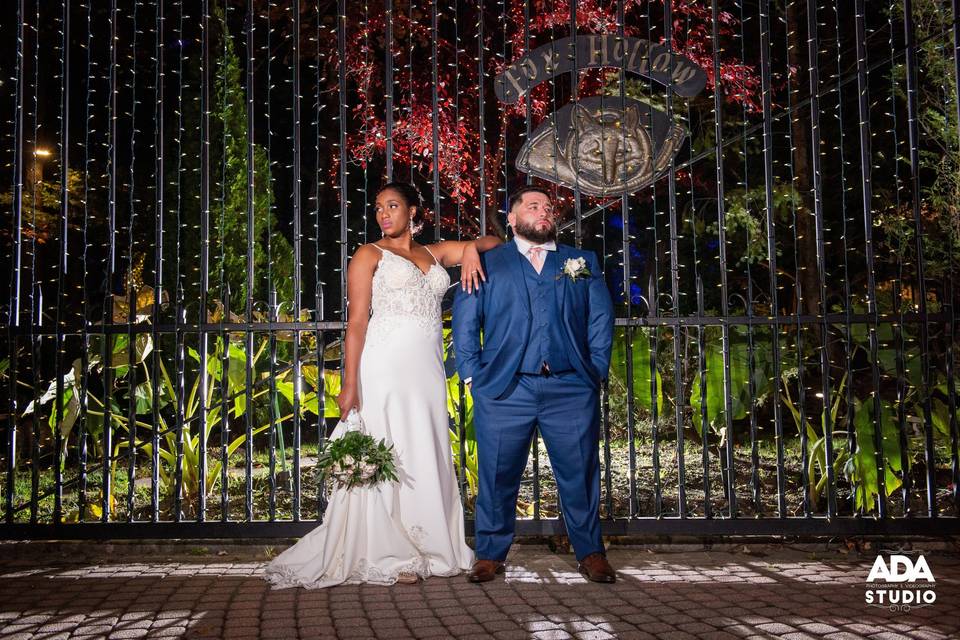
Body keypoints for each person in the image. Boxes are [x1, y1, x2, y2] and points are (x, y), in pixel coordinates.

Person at [264, 182, 500, 588]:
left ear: (413, 212)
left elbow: (495, 241)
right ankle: (389, 550)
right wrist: (350, 383)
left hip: (426, 372)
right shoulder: (368, 254)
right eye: (378, 208)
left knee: (423, 446)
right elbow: (356, 323)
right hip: (384, 367)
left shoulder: (433, 253)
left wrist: (471, 250)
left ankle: (432, 543)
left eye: (392, 206)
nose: (383, 214)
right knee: (389, 447)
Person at [452, 186, 616, 583]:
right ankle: (490, 554)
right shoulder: (489, 262)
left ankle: (590, 552)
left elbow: (600, 318)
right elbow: (466, 320)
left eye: (547, 207)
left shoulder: (580, 260)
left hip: (570, 387)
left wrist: (593, 370)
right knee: (496, 474)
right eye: (532, 206)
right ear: (511, 218)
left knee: (579, 472)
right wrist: (473, 375)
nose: (543, 211)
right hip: (505, 389)